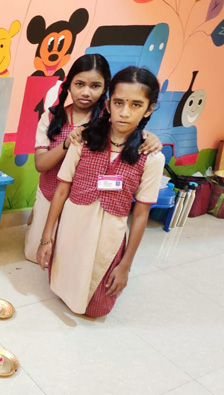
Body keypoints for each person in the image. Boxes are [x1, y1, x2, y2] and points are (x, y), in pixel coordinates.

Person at [37, 66, 165, 317]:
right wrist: (46, 238)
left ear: (149, 109)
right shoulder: (83, 140)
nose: (125, 112)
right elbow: (62, 190)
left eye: (136, 105)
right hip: (73, 225)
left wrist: (126, 265)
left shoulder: (151, 157)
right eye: (118, 103)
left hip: (109, 235)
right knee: (63, 281)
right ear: (108, 104)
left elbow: (141, 214)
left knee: (97, 308)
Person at [24, 54, 162, 263]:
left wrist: (148, 136)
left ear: (105, 89)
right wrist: (68, 143)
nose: (86, 92)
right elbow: (41, 164)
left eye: (95, 86)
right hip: (52, 193)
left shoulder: (108, 121)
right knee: (35, 254)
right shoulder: (51, 118)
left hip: (84, 204)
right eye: (80, 84)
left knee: (69, 257)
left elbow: (128, 133)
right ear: (69, 84)